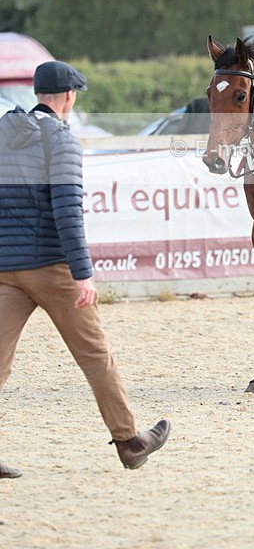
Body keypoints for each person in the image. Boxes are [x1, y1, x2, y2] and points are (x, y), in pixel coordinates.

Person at [0, 60, 171, 477]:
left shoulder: (3, 132)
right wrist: (83, 273)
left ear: (37, 93)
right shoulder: (61, 139)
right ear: (68, 97)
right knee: (95, 357)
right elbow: (67, 210)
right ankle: (130, 442)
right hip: (52, 267)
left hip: (5, 267)